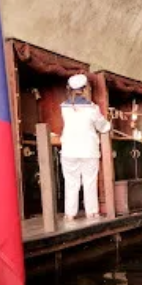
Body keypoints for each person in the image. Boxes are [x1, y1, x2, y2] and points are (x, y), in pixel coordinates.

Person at [59, 74, 111, 221]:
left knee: (71, 182)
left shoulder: (64, 108)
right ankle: (92, 212)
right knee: (89, 181)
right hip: (88, 151)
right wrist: (109, 125)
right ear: (85, 88)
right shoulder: (92, 108)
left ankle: (69, 214)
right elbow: (102, 126)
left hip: (69, 150)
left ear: (69, 89)